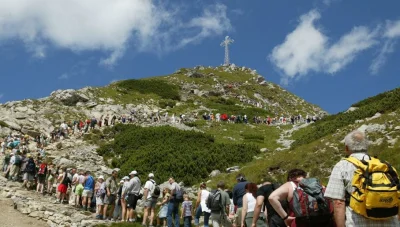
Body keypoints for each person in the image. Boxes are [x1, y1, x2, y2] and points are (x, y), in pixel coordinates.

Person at [325, 130, 399, 227]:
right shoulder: (384, 165)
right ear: (367, 146)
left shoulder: (342, 166)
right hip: (390, 222)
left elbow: (338, 203)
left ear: (346, 148)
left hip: (357, 222)